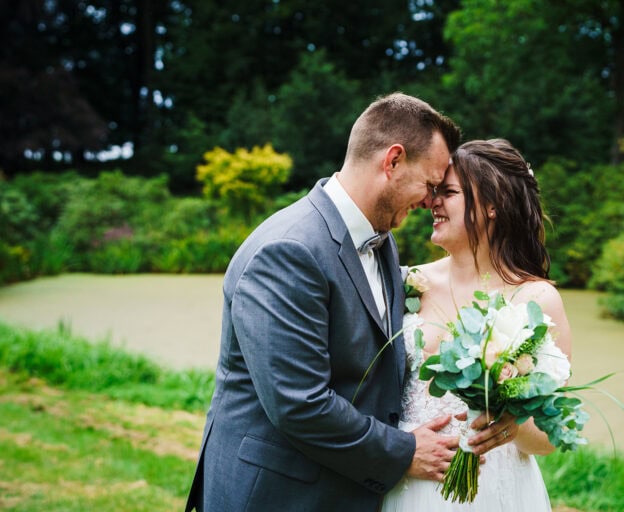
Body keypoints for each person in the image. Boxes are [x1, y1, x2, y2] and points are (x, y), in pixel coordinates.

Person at [185, 93, 515, 512]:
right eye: (430, 184)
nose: (431, 200)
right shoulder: (289, 250)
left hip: (345, 489)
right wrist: (404, 451)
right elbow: (299, 404)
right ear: (392, 161)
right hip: (279, 494)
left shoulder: (384, 244)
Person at [381, 138, 572, 511]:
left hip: (497, 490)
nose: (431, 202)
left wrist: (514, 426)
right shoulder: (405, 281)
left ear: (492, 206)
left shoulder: (536, 300)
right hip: (413, 483)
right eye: (434, 192)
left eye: (448, 193)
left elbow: (550, 437)